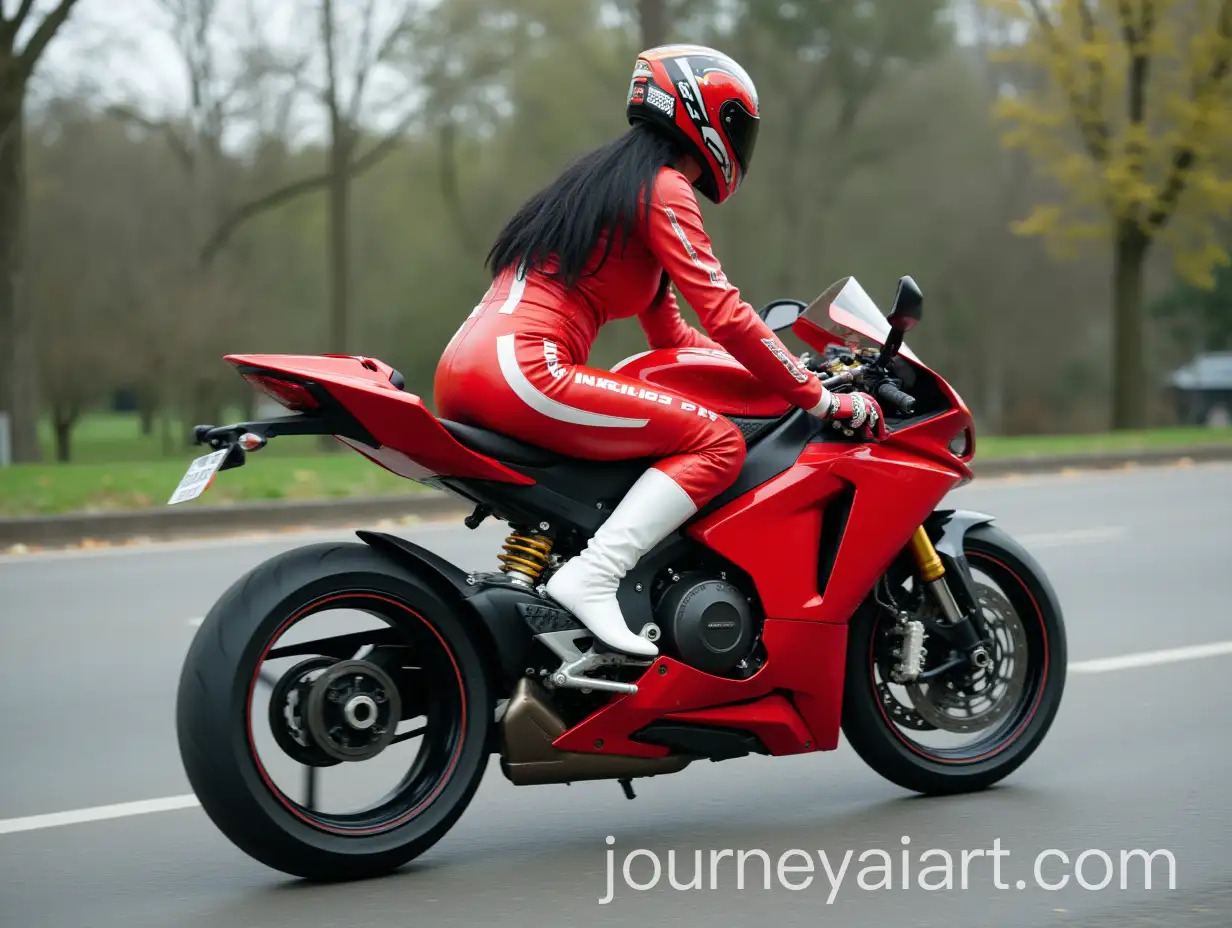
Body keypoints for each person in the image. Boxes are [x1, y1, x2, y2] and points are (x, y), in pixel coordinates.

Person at [434, 44, 886, 657]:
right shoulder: (664, 188)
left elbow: (673, 339)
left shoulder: (605, 186)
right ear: (706, 116)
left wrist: (784, 373)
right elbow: (725, 314)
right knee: (717, 442)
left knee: (674, 433)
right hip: (523, 369)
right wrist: (818, 398)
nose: (742, 144)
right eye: (739, 127)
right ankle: (594, 574)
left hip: (471, 367)